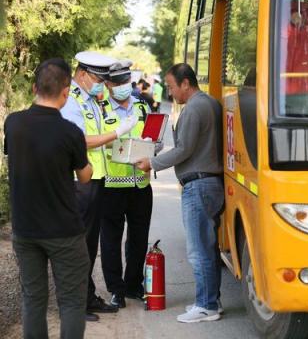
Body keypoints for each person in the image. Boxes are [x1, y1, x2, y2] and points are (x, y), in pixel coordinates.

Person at [4, 59, 93, 339]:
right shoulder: (71, 132)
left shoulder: (13, 123)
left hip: (25, 229)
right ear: (66, 92)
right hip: (64, 231)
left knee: (33, 299)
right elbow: (85, 177)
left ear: (34, 88)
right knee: (72, 301)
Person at [136, 63, 224, 323]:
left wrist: (152, 163)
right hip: (210, 183)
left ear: (186, 83)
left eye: (172, 86)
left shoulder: (195, 108)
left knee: (199, 250)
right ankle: (211, 301)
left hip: (198, 185)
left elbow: (184, 149)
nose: (170, 92)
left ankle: (206, 305)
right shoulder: (210, 103)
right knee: (208, 248)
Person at [60, 51, 138, 321]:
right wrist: (117, 132)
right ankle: (75, 304)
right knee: (79, 245)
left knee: (90, 244)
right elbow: (79, 140)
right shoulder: (72, 100)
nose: (102, 84)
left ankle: (87, 296)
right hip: (80, 182)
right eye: (98, 79)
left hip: (96, 179)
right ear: (82, 74)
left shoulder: (91, 99)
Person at [99, 60, 156, 308]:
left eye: (125, 81)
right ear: (108, 85)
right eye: (117, 82)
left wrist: (152, 146)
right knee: (110, 240)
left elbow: (156, 139)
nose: (122, 86)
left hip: (141, 185)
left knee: (139, 239)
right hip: (112, 185)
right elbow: (96, 142)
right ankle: (116, 290)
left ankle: (133, 285)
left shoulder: (142, 107)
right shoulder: (100, 109)